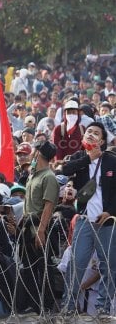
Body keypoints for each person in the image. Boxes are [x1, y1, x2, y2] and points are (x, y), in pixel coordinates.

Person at [60, 122, 116, 318]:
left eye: (96, 133)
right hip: (84, 220)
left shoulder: (111, 160)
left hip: (106, 223)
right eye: (89, 131)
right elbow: (65, 169)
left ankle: (103, 308)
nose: (91, 134)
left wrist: (109, 212)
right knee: (77, 263)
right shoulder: (79, 157)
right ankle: (68, 305)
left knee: (109, 265)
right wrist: (88, 158)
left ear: (102, 140)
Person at [17, 140, 58, 314]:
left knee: (42, 268)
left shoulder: (48, 177)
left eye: (34, 151)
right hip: (27, 227)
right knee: (28, 268)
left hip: (39, 227)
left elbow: (48, 205)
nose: (32, 154)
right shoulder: (34, 175)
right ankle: (31, 304)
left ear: (39, 154)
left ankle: (46, 306)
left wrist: (41, 231)